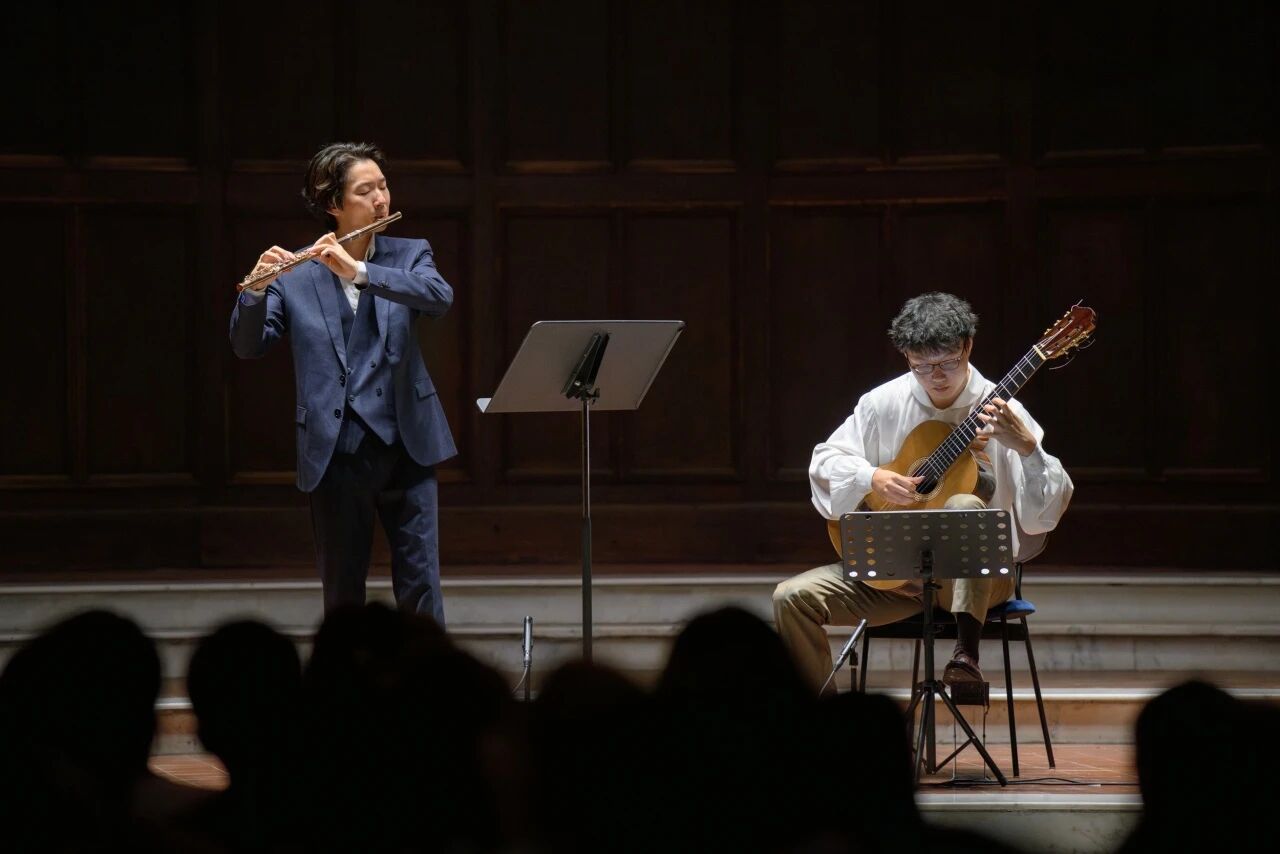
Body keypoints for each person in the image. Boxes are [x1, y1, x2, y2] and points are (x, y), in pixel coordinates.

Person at [773, 292, 1073, 691]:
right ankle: (822, 720)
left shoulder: (1003, 411)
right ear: (907, 357)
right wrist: (871, 478)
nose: (937, 376)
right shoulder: (882, 403)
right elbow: (825, 463)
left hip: (979, 580)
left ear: (968, 346)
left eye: (948, 362)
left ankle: (966, 657)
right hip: (897, 581)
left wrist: (1028, 448)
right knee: (791, 597)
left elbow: (1044, 514)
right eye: (922, 366)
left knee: (964, 503)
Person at [230, 141, 456, 623]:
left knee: (421, 584)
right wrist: (255, 291)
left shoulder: (410, 253)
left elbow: (438, 297)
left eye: (383, 186)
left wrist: (361, 272)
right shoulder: (296, 271)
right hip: (337, 448)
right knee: (342, 589)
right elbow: (249, 345)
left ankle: (428, 671)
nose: (381, 199)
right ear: (333, 203)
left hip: (407, 442)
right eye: (365, 190)